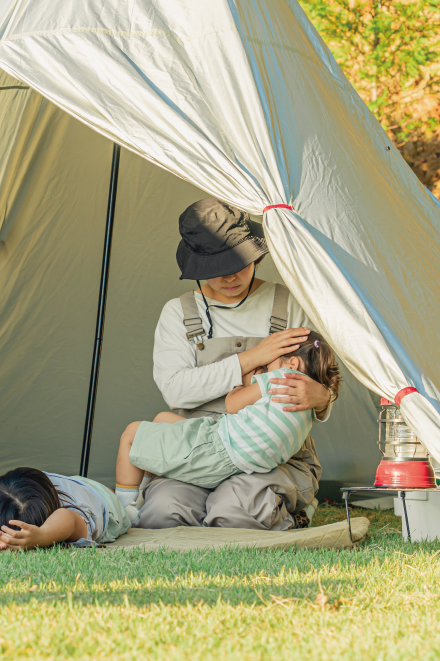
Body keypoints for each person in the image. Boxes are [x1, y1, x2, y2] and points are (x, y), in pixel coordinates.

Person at [137, 197, 334, 531]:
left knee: (234, 511)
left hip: (270, 453)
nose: (229, 276)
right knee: (162, 513)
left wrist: (323, 398)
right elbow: (175, 390)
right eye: (216, 269)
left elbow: (323, 374)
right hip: (197, 448)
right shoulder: (178, 313)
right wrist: (252, 358)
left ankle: (293, 511)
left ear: (256, 254)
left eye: (238, 263)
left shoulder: (288, 304)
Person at [117, 333, 341, 496]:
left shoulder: (282, 376)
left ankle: (125, 509)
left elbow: (232, 405)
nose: (266, 366)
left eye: (270, 361)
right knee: (162, 420)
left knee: (132, 434)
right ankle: (144, 485)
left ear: (292, 363)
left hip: (218, 449)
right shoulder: (309, 405)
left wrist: (243, 383)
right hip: (244, 463)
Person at [0, 467, 132, 550]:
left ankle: (112, 492)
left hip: (103, 499)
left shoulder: (78, 513)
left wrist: (42, 535)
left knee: (114, 499)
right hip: (61, 483)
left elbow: (68, 518)